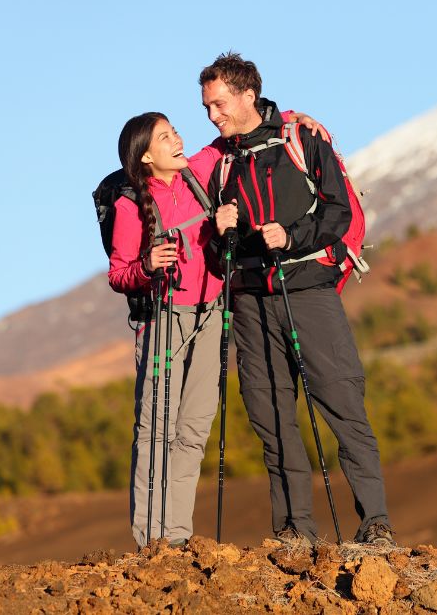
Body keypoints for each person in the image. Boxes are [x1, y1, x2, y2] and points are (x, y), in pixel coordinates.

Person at [203, 52, 394, 546]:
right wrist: (219, 233)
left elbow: (338, 212)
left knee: (343, 404)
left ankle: (375, 523)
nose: (213, 115)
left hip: (307, 291)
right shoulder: (221, 164)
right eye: (206, 107)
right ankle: (295, 531)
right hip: (249, 301)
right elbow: (215, 251)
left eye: (219, 104)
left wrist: (290, 237)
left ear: (248, 95)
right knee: (270, 417)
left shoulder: (301, 140)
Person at [109, 109, 324, 549]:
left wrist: (288, 118)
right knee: (156, 429)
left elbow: (240, 124)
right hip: (163, 319)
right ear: (146, 157)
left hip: (210, 316)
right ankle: (151, 539)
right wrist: (146, 266)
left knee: (193, 429)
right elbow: (118, 274)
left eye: (174, 132)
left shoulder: (199, 169)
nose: (178, 140)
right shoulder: (130, 205)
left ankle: (179, 536)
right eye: (165, 137)